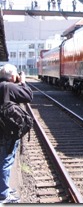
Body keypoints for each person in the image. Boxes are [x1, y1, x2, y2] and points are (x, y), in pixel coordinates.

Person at [0, 64, 33, 203]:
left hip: (2, 128)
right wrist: (23, 82)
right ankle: (3, 194)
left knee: (3, 159)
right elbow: (28, 95)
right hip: (7, 131)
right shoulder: (9, 87)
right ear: (12, 76)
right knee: (6, 161)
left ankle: (4, 188)